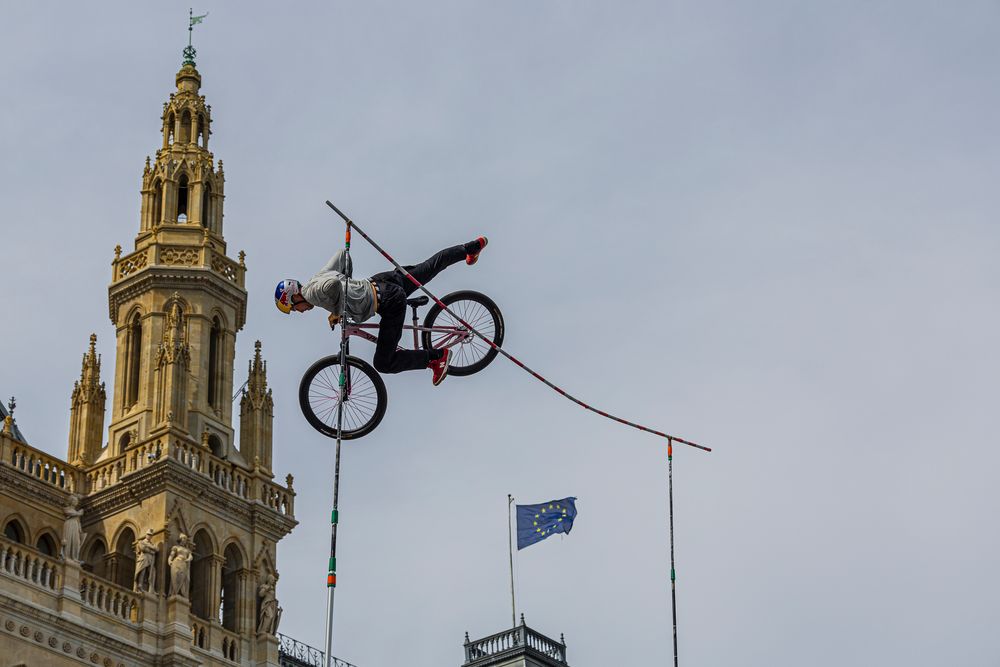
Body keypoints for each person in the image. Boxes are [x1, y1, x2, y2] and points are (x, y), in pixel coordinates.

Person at [275, 237, 487, 386]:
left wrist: (339, 310)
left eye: (294, 308)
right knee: (429, 267)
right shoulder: (316, 278)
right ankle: (469, 248)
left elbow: (333, 286)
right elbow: (341, 255)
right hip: (382, 281)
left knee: (384, 363)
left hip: (388, 300)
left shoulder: (312, 294)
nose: (299, 312)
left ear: (293, 296)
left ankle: (436, 358)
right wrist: (349, 284)